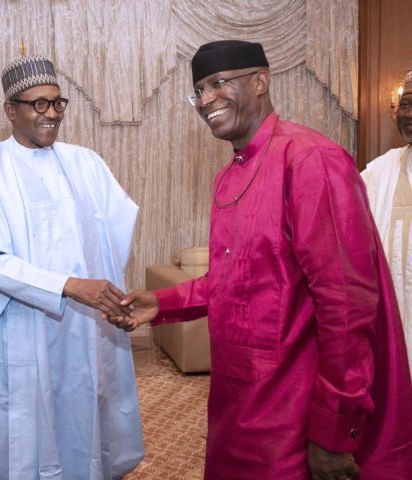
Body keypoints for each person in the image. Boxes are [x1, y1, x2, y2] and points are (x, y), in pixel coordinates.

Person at [114, 41, 412, 479]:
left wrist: (333, 430)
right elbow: (239, 280)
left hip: (294, 408)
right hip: (237, 404)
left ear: (261, 81)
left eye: (218, 83)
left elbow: (347, 307)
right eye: (198, 90)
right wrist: (164, 303)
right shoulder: (230, 173)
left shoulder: (311, 160)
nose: (206, 100)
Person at [0, 55, 144, 479]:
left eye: (57, 103)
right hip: (19, 330)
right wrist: (68, 284)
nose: (51, 114)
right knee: (25, 434)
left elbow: (111, 235)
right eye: (38, 105)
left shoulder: (86, 163)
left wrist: (109, 298)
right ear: (11, 110)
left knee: (83, 417)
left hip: (82, 329)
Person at [361, 68, 412, 376]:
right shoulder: (381, 170)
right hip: (391, 322)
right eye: (405, 103)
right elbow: (340, 216)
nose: (409, 113)